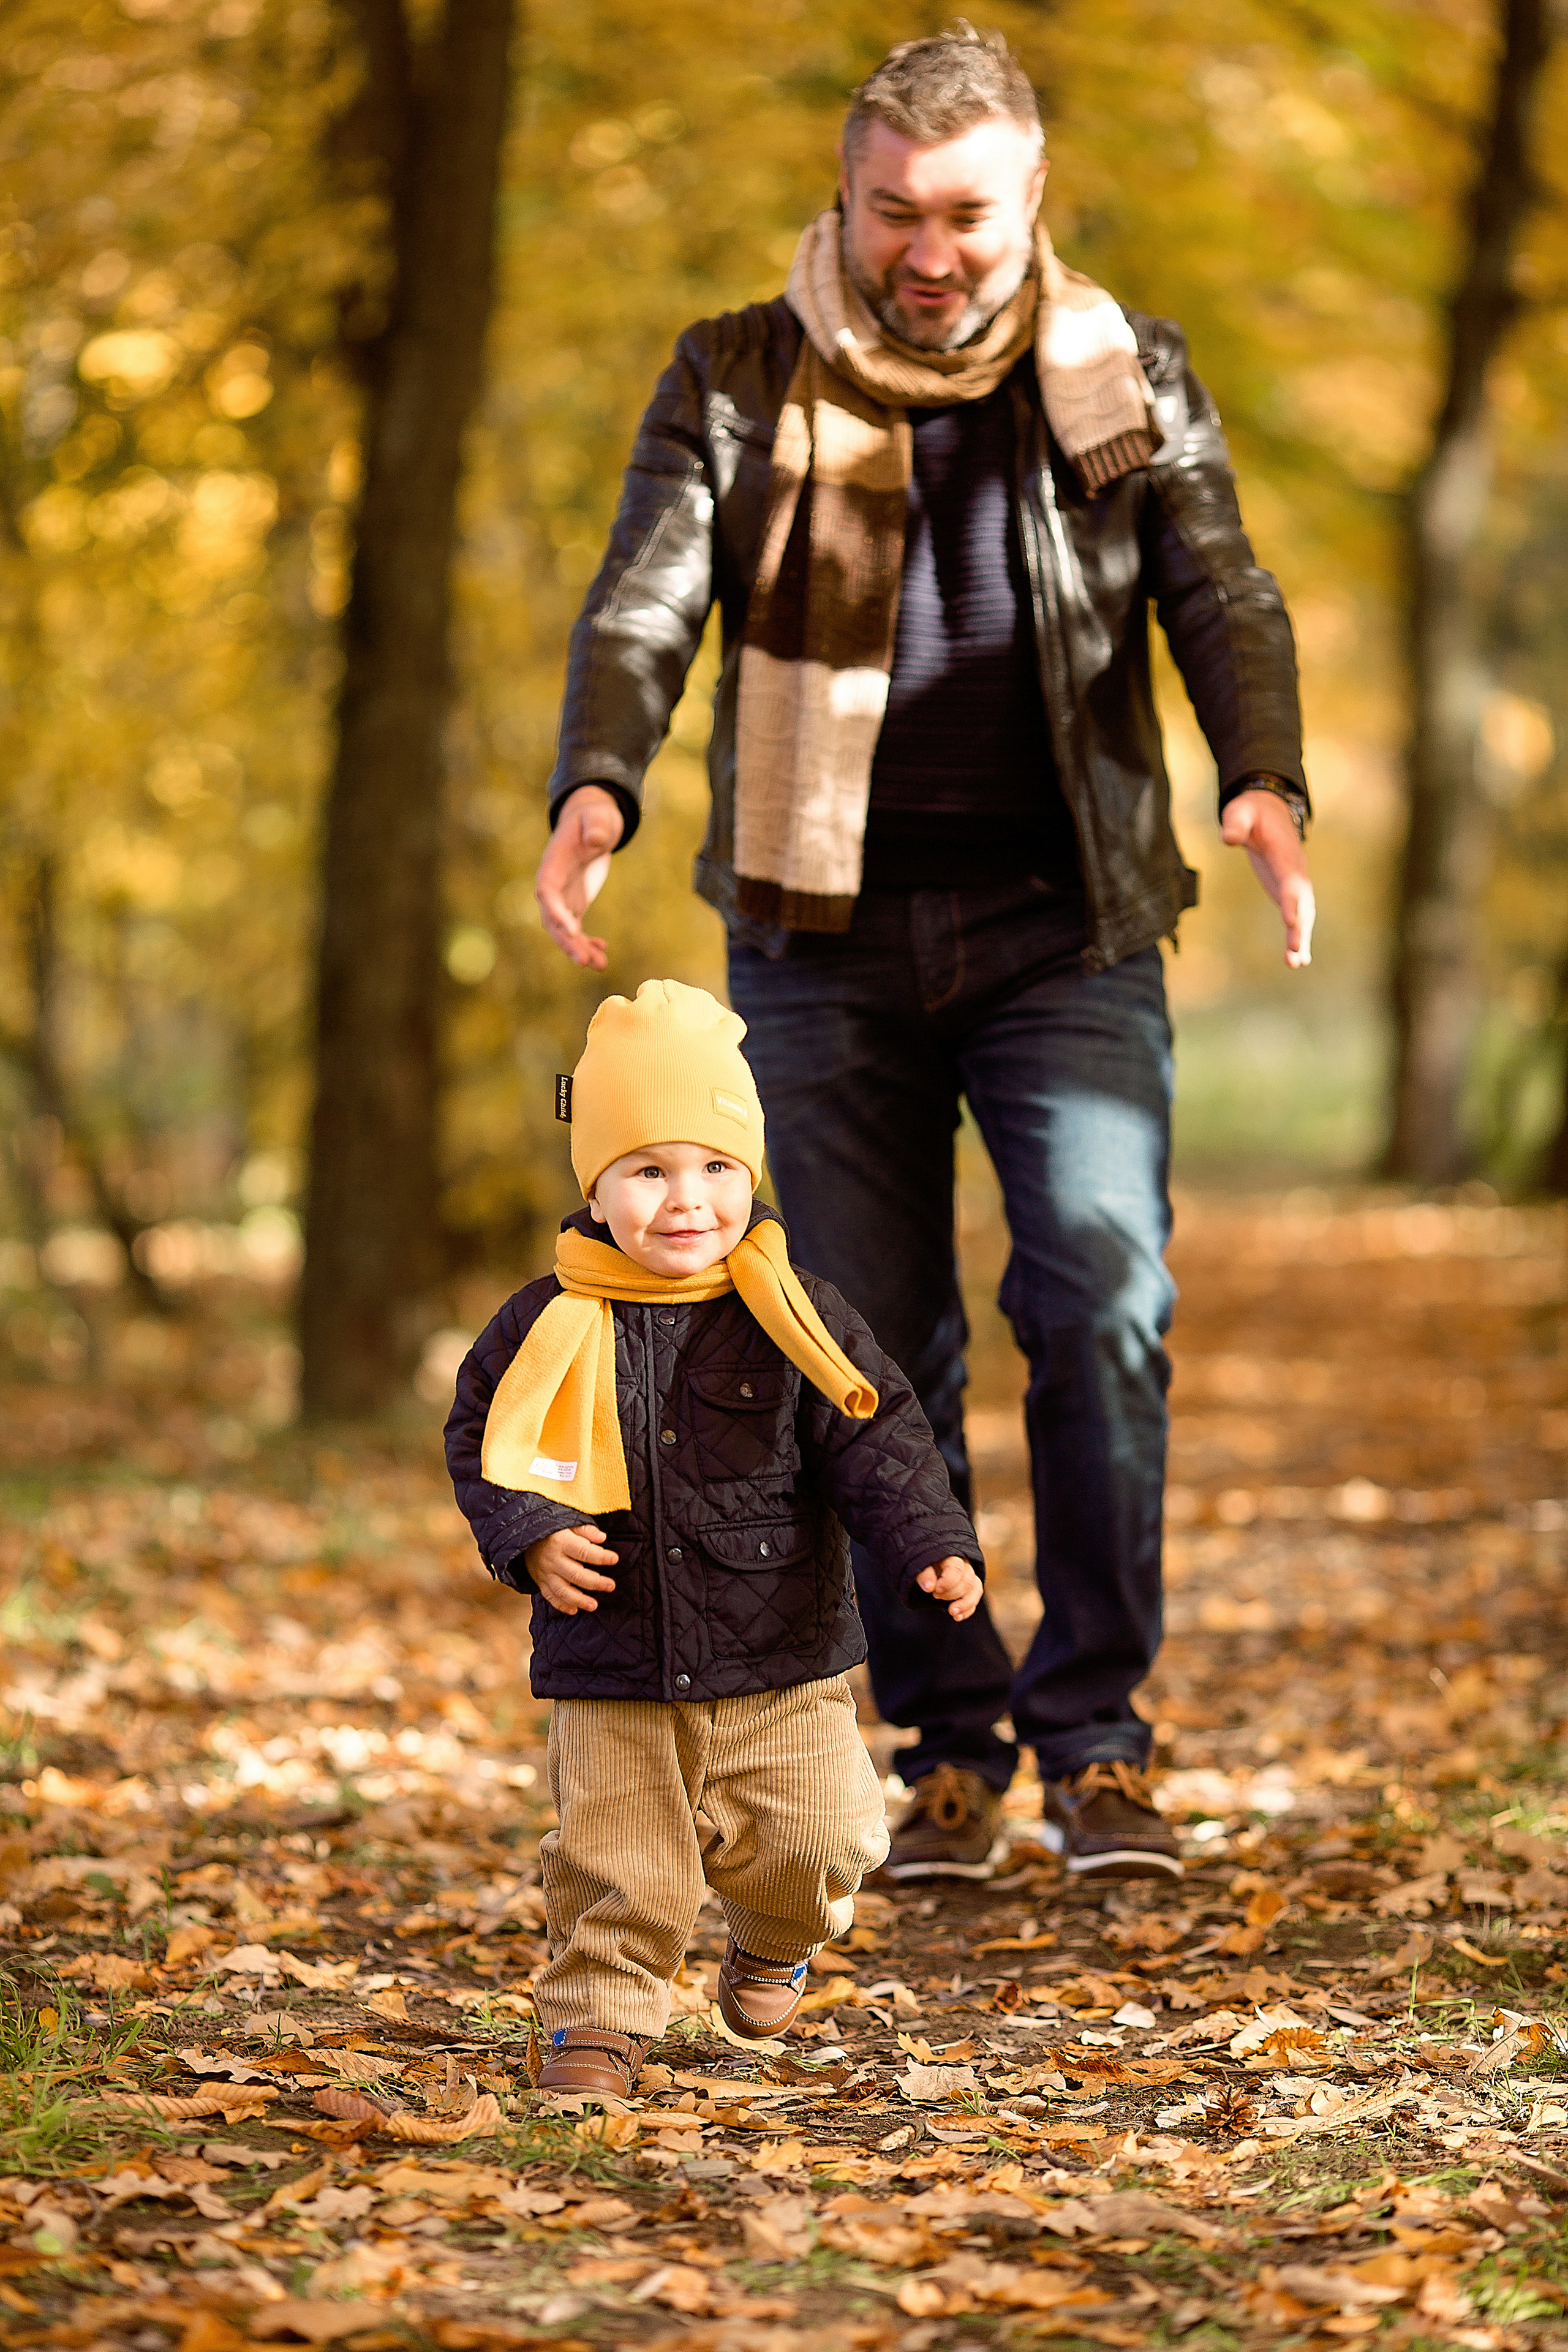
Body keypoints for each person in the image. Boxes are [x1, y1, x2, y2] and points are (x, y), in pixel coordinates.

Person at [532, 30, 1313, 1884]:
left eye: (966, 215)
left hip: (1073, 930)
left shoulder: (1124, 376)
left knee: (1103, 1300)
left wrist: (1263, 770)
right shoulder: (734, 376)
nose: (929, 253)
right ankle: (948, 1744)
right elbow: (648, 592)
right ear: (848, 194)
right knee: (867, 1355)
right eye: (895, 213)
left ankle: (1099, 1742)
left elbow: (1217, 583)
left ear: (1029, 202)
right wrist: (597, 781)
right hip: (820, 944)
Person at [445, 979, 984, 2096]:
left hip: (780, 1654)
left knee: (822, 1843)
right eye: (649, 1171)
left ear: (752, 1173)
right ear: (595, 1186)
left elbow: (875, 1437)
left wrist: (929, 1537)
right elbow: (485, 1441)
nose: (686, 1200)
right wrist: (533, 1532)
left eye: (715, 1169)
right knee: (618, 1863)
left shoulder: (799, 1314)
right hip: (614, 1656)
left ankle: (778, 1940)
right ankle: (596, 2025)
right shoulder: (542, 1322)